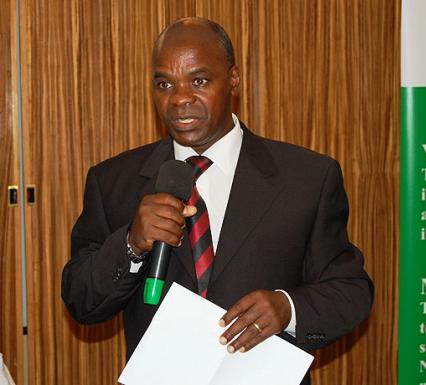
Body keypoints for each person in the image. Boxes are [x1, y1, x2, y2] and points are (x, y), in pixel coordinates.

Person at [62, 17, 373, 385]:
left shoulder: (306, 177)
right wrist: (131, 245)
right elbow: (81, 301)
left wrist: (287, 309)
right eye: (164, 83)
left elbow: (350, 290)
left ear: (234, 80)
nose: (179, 98)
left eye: (199, 81)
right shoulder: (114, 181)